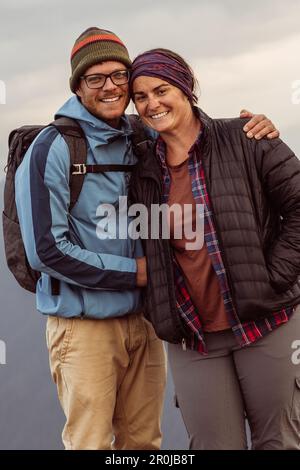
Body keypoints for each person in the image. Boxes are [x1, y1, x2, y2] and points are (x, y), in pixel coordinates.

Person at [14, 26, 280, 450]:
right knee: (92, 444)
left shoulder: (140, 136)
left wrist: (251, 128)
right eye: (94, 78)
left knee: (145, 446)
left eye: (119, 75)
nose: (110, 87)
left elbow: (192, 136)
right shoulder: (52, 148)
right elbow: (47, 250)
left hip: (147, 321)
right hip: (85, 330)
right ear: (78, 87)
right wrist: (139, 274)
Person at [129, 48, 300, 450]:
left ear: (187, 88)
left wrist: (274, 277)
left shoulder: (246, 138)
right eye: (141, 97)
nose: (152, 103)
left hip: (267, 323)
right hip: (193, 336)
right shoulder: (142, 170)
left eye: (161, 89)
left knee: (279, 442)